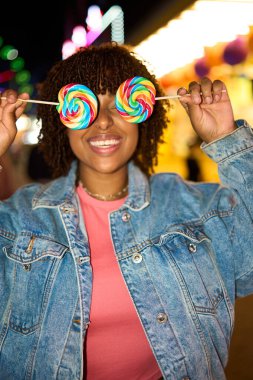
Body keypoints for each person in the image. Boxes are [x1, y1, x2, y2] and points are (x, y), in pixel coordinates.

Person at [0, 42, 252, 380]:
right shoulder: (18, 221)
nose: (104, 122)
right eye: (86, 105)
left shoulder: (196, 208)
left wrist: (228, 140)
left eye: (119, 104)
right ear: (62, 118)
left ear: (143, 109)